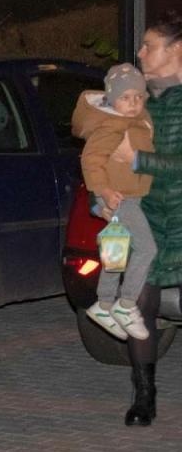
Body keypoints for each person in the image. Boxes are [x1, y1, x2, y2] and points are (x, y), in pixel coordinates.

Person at [109, 14, 182, 427]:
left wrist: (136, 159)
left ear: (175, 49)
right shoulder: (139, 103)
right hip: (149, 218)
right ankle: (144, 396)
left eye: (149, 45)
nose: (139, 52)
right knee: (138, 304)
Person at [76, 63, 156, 341]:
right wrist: (105, 192)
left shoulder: (138, 121)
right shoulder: (112, 125)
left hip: (129, 195)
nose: (133, 103)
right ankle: (126, 303)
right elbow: (91, 160)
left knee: (116, 250)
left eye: (138, 97)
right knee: (147, 248)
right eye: (125, 97)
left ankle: (104, 303)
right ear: (112, 99)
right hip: (120, 196)